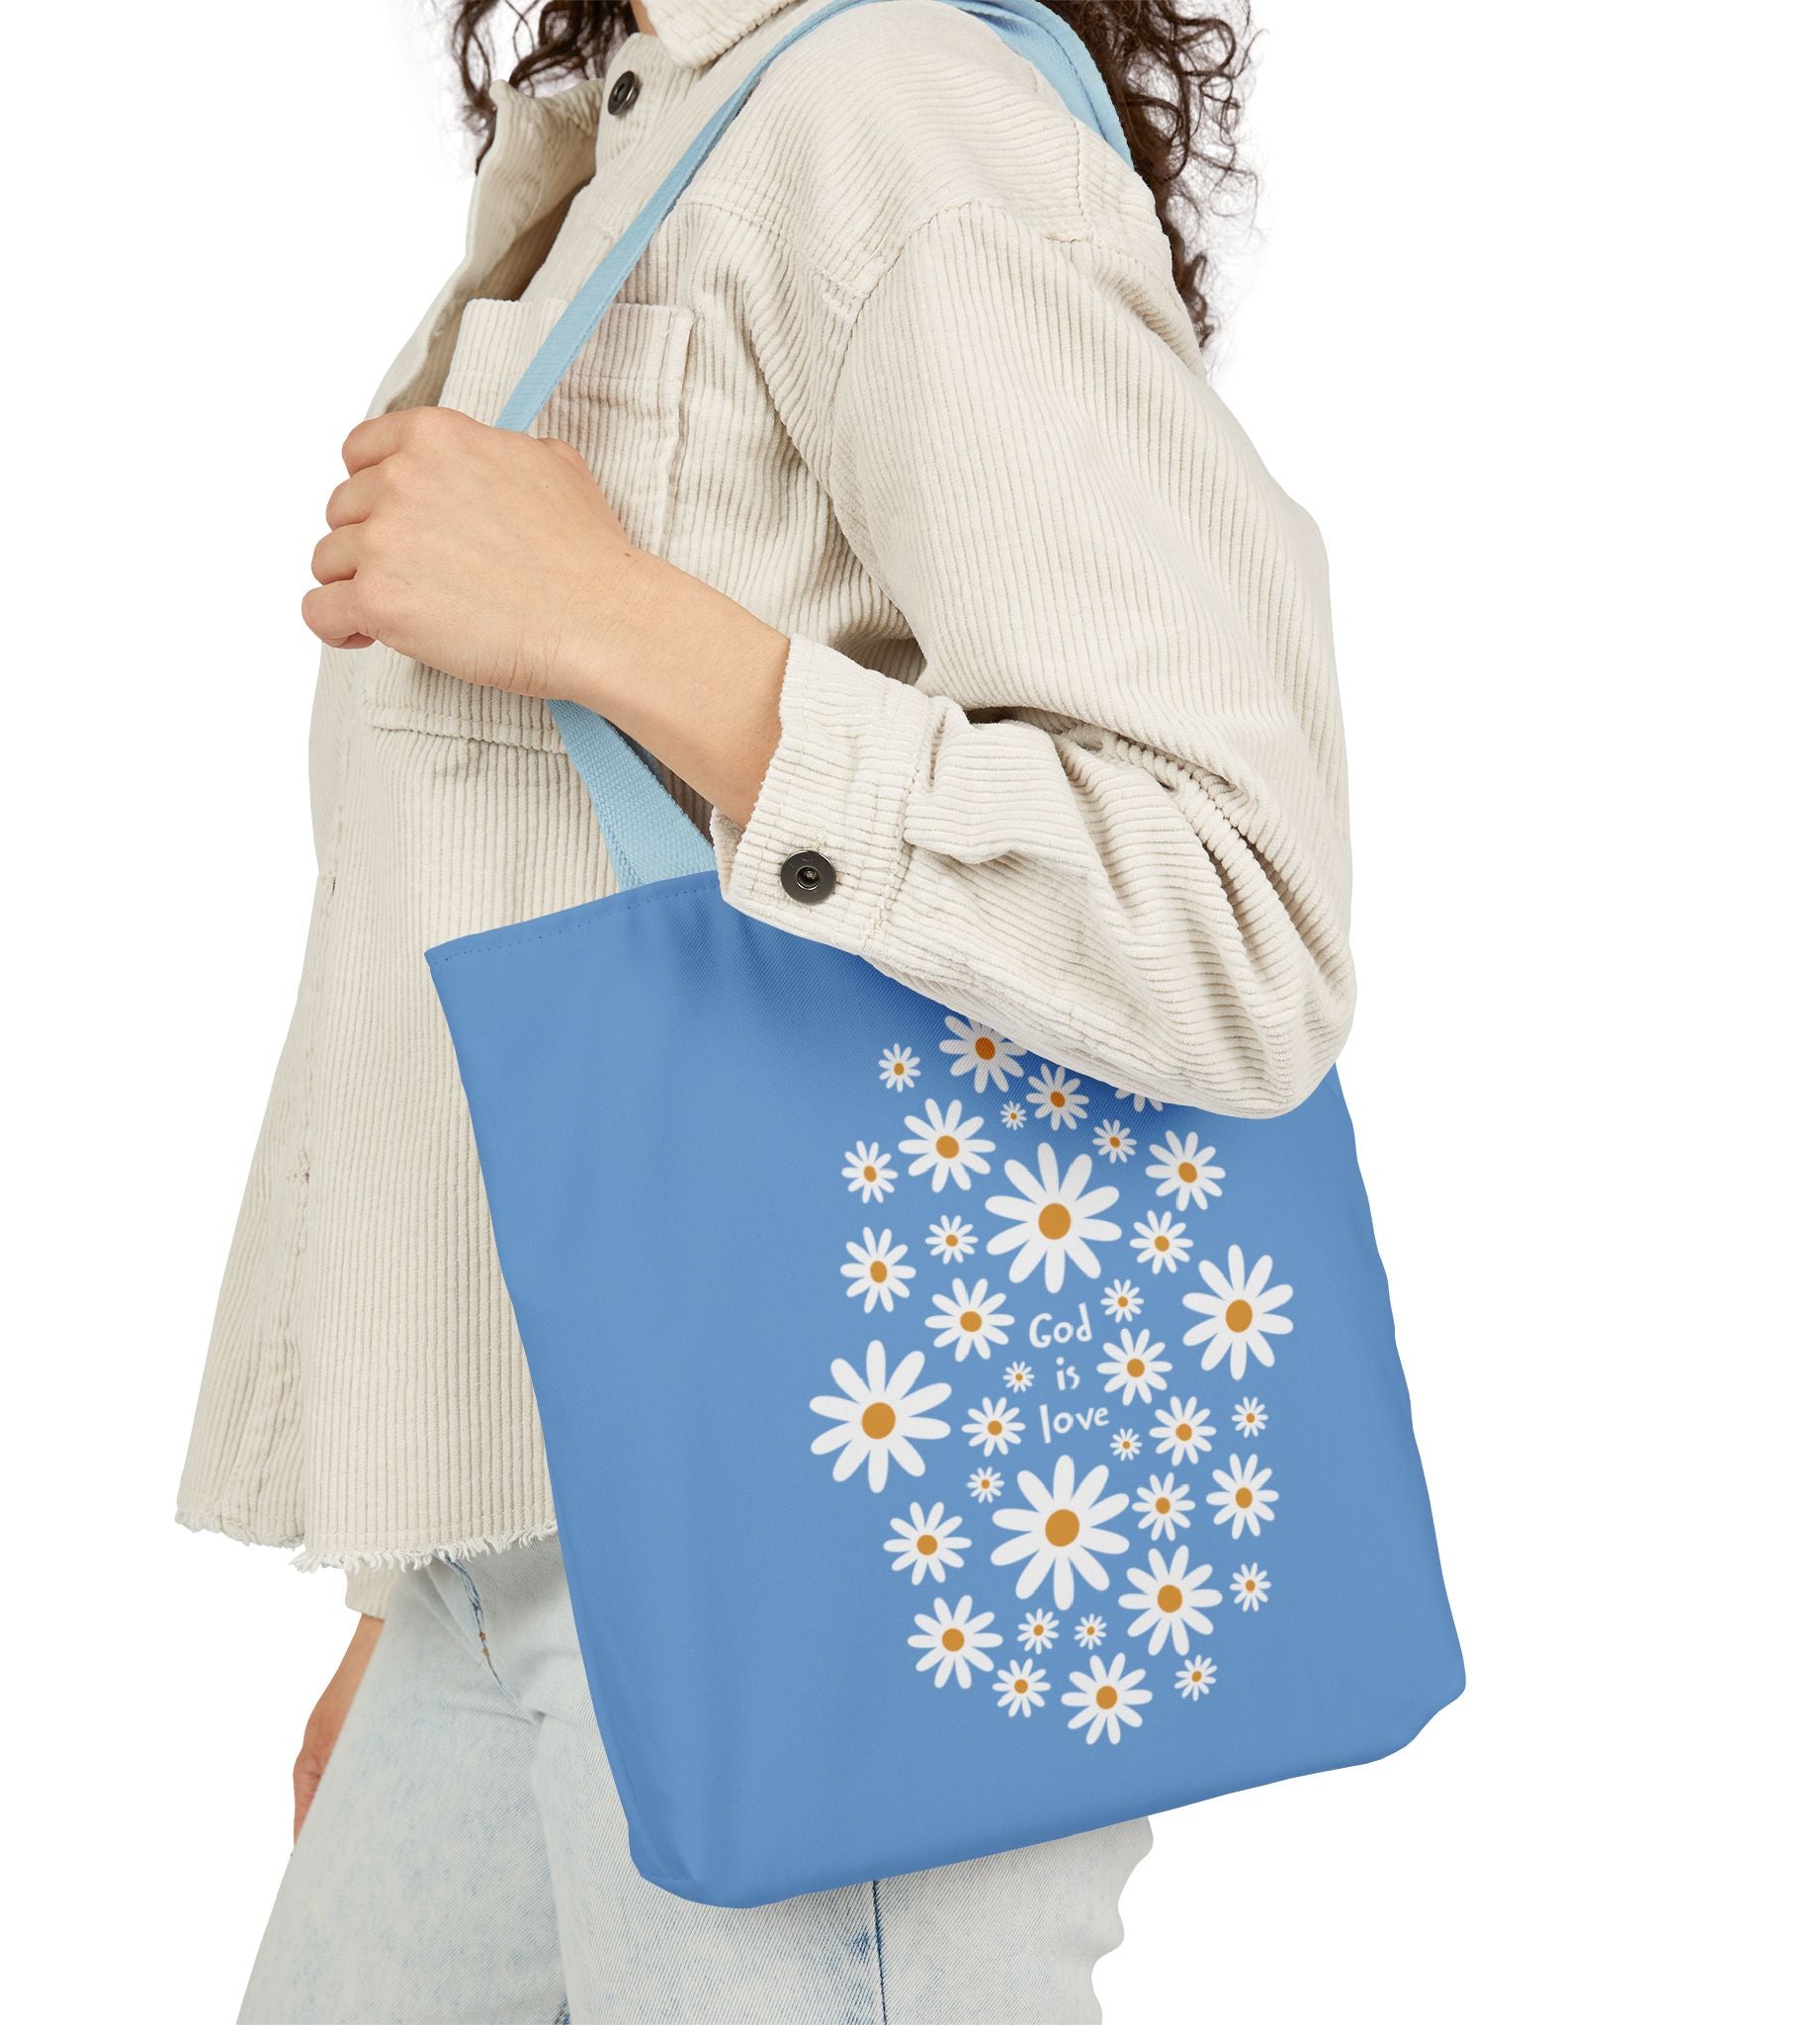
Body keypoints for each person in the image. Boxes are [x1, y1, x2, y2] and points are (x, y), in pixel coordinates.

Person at [181, 0, 1350, 2015]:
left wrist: (631, 630)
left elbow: (1232, 912)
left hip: (818, 1552)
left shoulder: (897, 125)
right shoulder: (646, 140)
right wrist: (427, 1577)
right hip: (529, 1539)